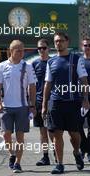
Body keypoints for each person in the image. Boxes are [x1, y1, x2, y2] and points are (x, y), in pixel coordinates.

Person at [42, 32, 90, 174]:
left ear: (67, 42)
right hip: (56, 102)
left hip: (73, 102)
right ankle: (60, 164)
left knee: (74, 135)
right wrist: (45, 104)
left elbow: (84, 81)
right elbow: (47, 84)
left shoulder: (77, 59)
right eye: (56, 41)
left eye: (61, 41)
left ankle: (77, 152)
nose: (58, 43)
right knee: (57, 134)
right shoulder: (51, 62)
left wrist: (86, 99)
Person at [0, 40, 37, 173]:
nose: (21, 52)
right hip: (6, 107)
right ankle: (12, 154)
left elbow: (32, 87)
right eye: (18, 50)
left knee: (20, 137)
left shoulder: (27, 66)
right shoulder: (2, 66)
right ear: (10, 51)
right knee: (6, 135)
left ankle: (17, 163)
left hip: (22, 107)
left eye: (23, 50)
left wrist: (32, 105)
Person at [32, 38, 54, 166]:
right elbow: (31, 85)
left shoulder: (53, 62)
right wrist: (32, 103)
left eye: (44, 48)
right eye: (39, 48)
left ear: (48, 48)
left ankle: (57, 154)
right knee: (42, 131)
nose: (41, 50)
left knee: (53, 131)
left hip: (53, 101)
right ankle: (45, 157)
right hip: (39, 102)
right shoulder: (34, 64)